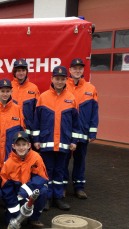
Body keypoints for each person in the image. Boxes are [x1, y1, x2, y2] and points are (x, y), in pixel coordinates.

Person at [33, 66, 80, 210]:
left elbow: (76, 124)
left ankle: (58, 198)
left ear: (66, 79)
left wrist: (73, 141)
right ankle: (47, 198)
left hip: (64, 143)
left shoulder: (71, 98)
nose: (59, 81)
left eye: (62, 79)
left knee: (60, 171)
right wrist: (36, 140)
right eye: (57, 78)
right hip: (46, 143)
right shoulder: (43, 97)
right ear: (52, 79)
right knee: (47, 171)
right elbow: (37, 122)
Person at [64, 58, 99, 199]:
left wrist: (92, 131)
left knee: (80, 160)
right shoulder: (63, 85)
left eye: (80, 68)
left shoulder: (91, 89)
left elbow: (94, 111)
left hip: (83, 131)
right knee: (64, 161)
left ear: (83, 70)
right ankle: (63, 187)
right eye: (74, 68)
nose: (77, 71)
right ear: (70, 70)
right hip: (66, 131)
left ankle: (79, 187)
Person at [1, 131, 49, 228]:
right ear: (13, 146)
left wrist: (24, 191)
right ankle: (13, 212)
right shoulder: (8, 163)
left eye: (24, 144)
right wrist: (14, 211)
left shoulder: (36, 158)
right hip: (16, 196)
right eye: (18, 145)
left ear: (29, 145)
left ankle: (33, 219)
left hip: (29, 193)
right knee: (11, 220)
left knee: (43, 190)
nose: (21, 147)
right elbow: (6, 188)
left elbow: (42, 177)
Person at [11, 59, 40, 136]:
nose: (21, 73)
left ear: (27, 71)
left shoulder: (33, 88)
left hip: (28, 131)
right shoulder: (8, 87)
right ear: (14, 72)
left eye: (23, 70)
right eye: (18, 70)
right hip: (11, 129)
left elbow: (38, 112)